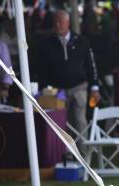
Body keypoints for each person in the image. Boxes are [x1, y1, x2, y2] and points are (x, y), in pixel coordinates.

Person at [38, 10, 100, 142]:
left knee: (79, 121)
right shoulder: (47, 44)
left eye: (60, 22)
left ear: (68, 23)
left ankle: (82, 156)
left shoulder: (82, 41)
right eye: (55, 22)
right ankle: (65, 157)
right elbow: (43, 69)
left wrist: (95, 87)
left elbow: (91, 65)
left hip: (79, 88)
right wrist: (43, 89)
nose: (57, 25)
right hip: (57, 91)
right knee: (61, 123)